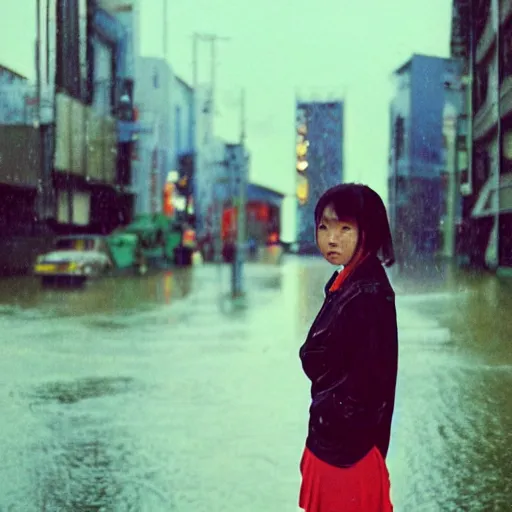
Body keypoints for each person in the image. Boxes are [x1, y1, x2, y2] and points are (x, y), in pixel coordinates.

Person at [298, 183, 398, 512]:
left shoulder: (365, 293)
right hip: (337, 447)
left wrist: (331, 421)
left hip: (346, 456)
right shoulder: (347, 282)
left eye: (345, 228)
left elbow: (367, 384)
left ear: (367, 231)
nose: (331, 238)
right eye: (324, 227)